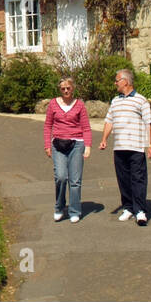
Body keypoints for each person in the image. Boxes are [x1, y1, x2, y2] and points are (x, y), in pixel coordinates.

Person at [99, 69, 151, 225]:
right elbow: (109, 121)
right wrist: (104, 139)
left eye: (117, 80)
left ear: (126, 81)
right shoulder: (115, 101)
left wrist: (150, 145)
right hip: (119, 147)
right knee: (123, 179)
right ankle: (128, 207)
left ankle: (140, 210)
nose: (115, 83)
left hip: (136, 147)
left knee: (138, 179)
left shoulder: (141, 100)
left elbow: (148, 123)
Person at [44, 78, 92, 222]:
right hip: (58, 144)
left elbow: (86, 127)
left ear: (73, 88)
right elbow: (47, 126)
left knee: (75, 180)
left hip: (77, 144)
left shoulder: (80, 105)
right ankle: (59, 207)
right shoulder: (53, 104)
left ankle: (74, 211)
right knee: (61, 177)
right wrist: (47, 145)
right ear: (60, 89)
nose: (66, 91)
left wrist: (88, 146)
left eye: (68, 88)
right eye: (63, 88)